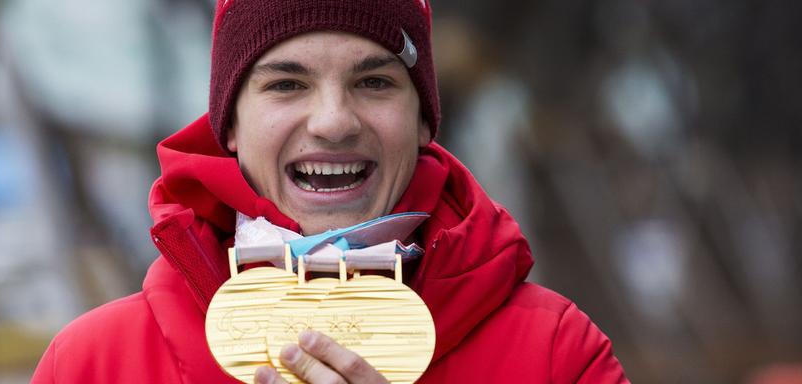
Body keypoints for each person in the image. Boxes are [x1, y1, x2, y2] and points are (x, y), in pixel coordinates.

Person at [31, 0, 629, 382]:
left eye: (373, 81)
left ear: (423, 119)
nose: (333, 121)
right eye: (287, 84)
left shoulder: (555, 354)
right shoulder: (93, 364)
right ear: (229, 127)